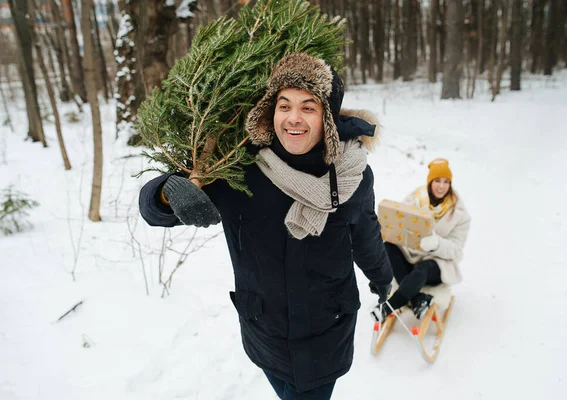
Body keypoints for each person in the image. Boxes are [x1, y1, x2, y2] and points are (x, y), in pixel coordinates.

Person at [138, 53, 393, 399]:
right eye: (284, 105)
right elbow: (157, 208)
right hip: (265, 336)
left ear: (328, 119)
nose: (293, 118)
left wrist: (383, 279)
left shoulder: (351, 177)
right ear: (270, 111)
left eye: (308, 107)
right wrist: (168, 195)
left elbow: (365, 235)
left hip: (326, 338)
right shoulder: (240, 171)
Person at [374, 158, 471, 320]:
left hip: (436, 263)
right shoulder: (415, 199)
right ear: (430, 182)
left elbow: (456, 249)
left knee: (423, 269)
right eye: (437, 181)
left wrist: (436, 244)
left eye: (446, 182)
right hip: (410, 256)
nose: (441, 186)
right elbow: (399, 224)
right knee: (388, 247)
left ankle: (388, 307)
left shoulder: (460, 214)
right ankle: (417, 298)